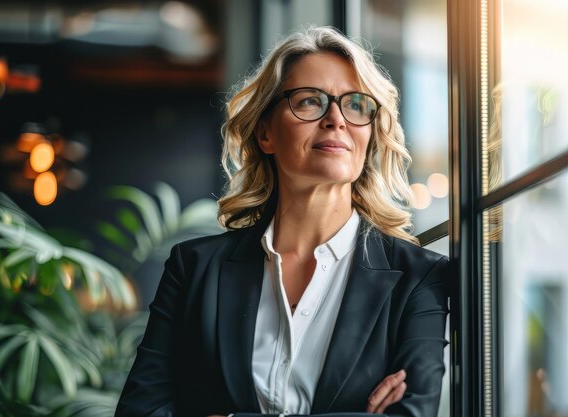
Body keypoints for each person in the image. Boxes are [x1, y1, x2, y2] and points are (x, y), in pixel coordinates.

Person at [115, 26, 450, 417]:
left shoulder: (419, 278)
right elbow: (140, 411)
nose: (336, 120)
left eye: (356, 104)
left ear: (371, 134)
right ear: (265, 133)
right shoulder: (193, 269)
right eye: (310, 101)